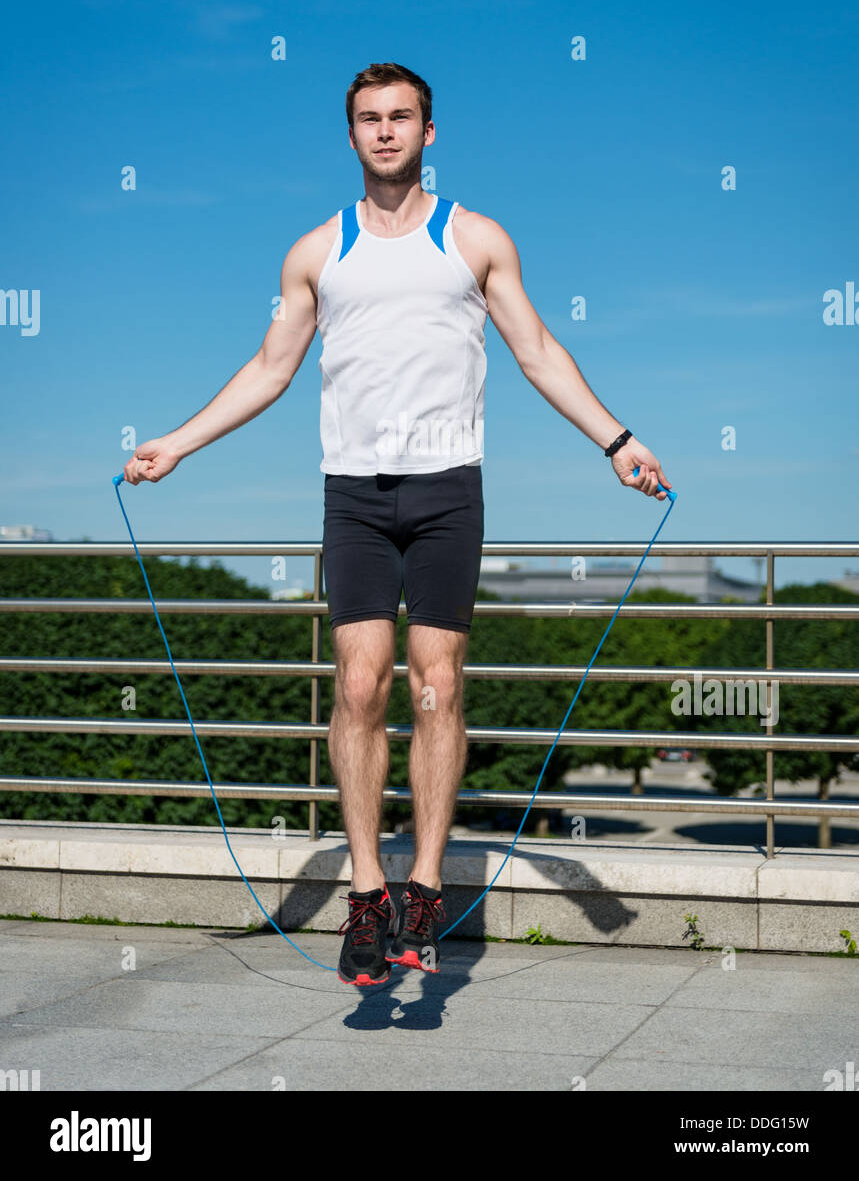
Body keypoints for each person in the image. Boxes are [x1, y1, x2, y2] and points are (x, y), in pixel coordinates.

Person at [121, 60, 672, 986]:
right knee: (360, 681)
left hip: (448, 489)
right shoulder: (314, 253)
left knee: (436, 681)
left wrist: (615, 441)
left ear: (428, 132)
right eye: (369, 119)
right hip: (356, 495)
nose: (385, 131)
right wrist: (177, 443)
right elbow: (268, 368)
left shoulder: (475, 239)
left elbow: (536, 351)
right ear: (350, 136)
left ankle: (424, 886)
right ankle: (368, 896)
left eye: (402, 117)